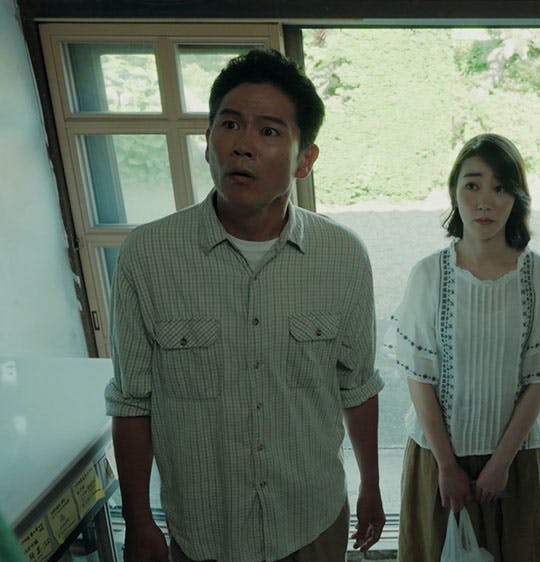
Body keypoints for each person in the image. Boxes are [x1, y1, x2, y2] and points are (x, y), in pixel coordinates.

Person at [105, 48, 384, 562]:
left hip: (311, 520)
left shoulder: (343, 256)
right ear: (208, 141)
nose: (243, 145)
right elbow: (131, 402)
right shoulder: (147, 256)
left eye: (269, 131)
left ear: (304, 160)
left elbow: (358, 386)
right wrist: (139, 521)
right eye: (230, 124)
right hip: (205, 531)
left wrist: (371, 485)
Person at [389, 133, 540, 562]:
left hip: (517, 459)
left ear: (517, 197)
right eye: (472, 185)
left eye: (500, 187)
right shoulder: (428, 274)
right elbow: (419, 377)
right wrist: (447, 465)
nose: (485, 201)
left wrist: (501, 463)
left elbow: (539, 377)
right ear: (454, 192)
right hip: (438, 459)